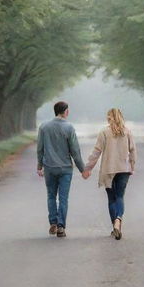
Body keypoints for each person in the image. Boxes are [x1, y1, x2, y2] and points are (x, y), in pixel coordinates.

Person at [82, 108, 136, 240]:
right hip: (124, 169)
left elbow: (96, 151)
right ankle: (118, 220)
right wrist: (132, 166)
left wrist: (88, 167)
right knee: (120, 196)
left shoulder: (104, 132)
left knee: (111, 198)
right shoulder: (127, 131)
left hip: (108, 169)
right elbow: (133, 150)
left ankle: (114, 226)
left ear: (109, 118)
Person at [37, 100, 85, 238]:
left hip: (49, 168)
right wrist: (83, 170)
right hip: (65, 169)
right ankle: (61, 226)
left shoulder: (44, 127)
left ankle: (53, 222)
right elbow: (75, 151)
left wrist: (39, 166)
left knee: (51, 196)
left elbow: (40, 149)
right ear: (66, 112)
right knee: (63, 198)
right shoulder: (69, 128)